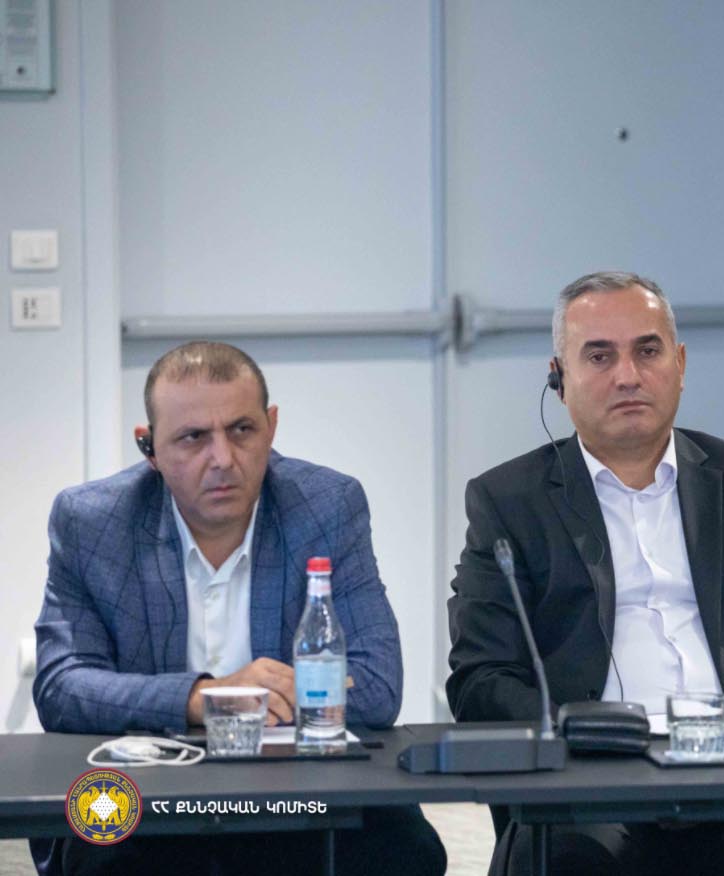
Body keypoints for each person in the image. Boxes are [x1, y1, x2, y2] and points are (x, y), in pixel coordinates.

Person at [447, 271, 724, 876]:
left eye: (647, 351)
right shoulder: (508, 500)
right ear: (558, 379)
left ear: (680, 364)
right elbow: (480, 678)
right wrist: (579, 732)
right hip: (588, 783)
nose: (628, 375)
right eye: (599, 356)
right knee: (563, 863)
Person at [32, 341, 446, 876]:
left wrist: (256, 700)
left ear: (271, 427)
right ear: (149, 447)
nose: (223, 458)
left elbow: (376, 686)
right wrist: (205, 698)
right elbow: (62, 687)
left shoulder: (327, 506)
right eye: (193, 437)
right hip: (145, 786)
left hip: (296, 790)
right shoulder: (92, 522)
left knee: (406, 851)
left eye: (242, 430)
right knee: (99, 854)